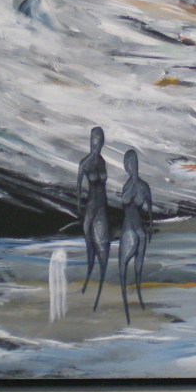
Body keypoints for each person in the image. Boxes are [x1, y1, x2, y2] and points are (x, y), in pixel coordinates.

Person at [77, 126, 111, 312]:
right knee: (90, 247)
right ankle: (88, 279)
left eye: (99, 139)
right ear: (91, 141)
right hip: (90, 207)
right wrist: (80, 211)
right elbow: (78, 190)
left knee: (103, 246)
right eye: (94, 139)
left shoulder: (102, 161)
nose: (96, 143)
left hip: (102, 207)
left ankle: (99, 285)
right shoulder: (85, 163)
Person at [118, 149, 153, 323]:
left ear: (127, 165)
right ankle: (140, 302)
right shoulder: (144, 186)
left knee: (123, 268)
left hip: (129, 230)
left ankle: (127, 311)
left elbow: (125, 203)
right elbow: (150, 213)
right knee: (138, 271)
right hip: (141, 231)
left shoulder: (127, 186)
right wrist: (149, 230)